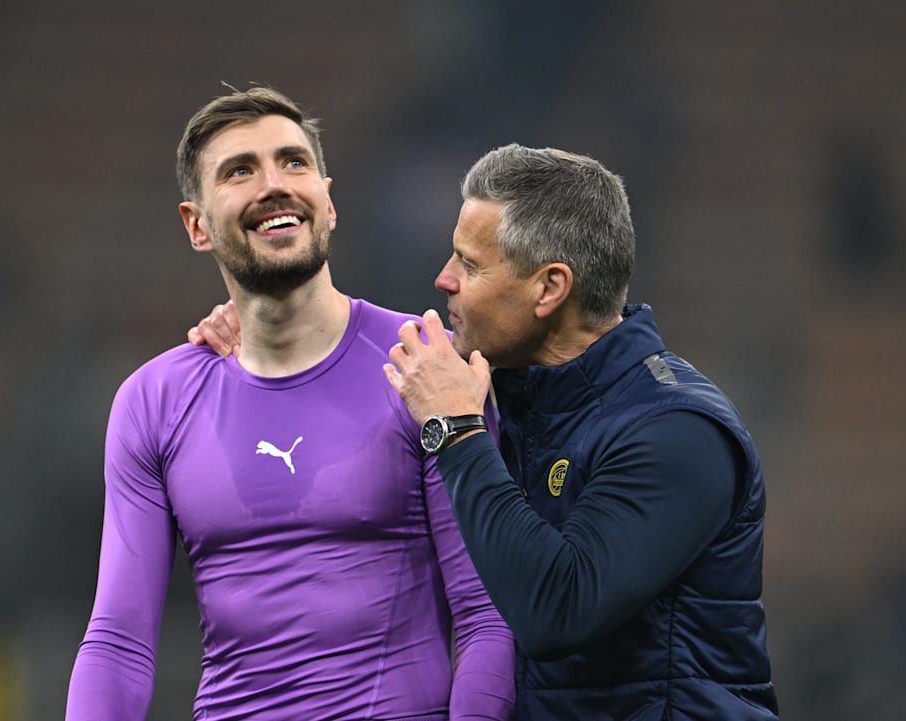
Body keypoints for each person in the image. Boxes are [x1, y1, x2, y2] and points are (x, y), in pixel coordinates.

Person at [193, 145, 778, 720]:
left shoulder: (676, 431)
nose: (443, 279)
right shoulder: (507, 392)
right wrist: (265, 329)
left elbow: (558, 611)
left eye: (470, 265)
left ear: (548, 289)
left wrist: (455, 430)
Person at [65, 86, 515, 721]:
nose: (273, 185)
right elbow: (118, 642)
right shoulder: (154, 401)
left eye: (293, 162)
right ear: (197, 225)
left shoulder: (425, 365)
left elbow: (486, 616)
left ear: (328, 202)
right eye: (240, 171)